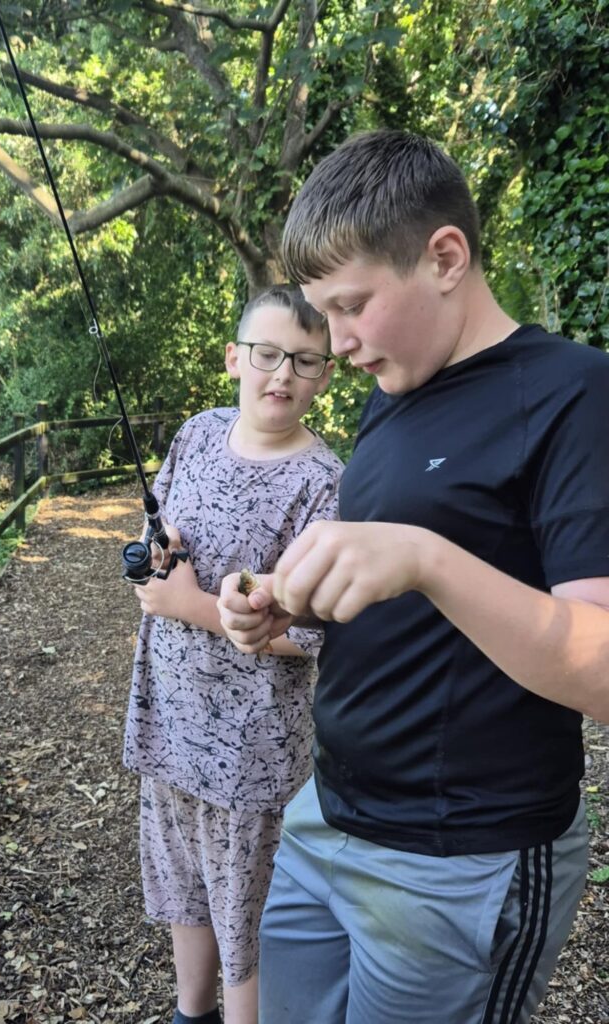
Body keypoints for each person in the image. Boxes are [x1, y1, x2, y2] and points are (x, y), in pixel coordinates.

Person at [217, 129, 609, 1024]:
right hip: (326, 814)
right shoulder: (389, 398)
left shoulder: (576, 396)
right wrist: (293, 604)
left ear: (444, 256)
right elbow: (400, 595)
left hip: (459, 858)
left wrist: (426, 559)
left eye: (352, 307)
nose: (340, 344)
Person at [122, 284, 344, 1024]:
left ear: (325, 373)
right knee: (182, 883)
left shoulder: (324, 484)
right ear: (234, 358)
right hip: (168, 716)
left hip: (251, 748)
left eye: (304, 361)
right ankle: (192, 1013)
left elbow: (309, 633)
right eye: (267, 354)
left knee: (244, 909)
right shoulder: (196, 432)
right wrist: (159, 559)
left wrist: (187, 604)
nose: (282, 375)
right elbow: (161, 527)